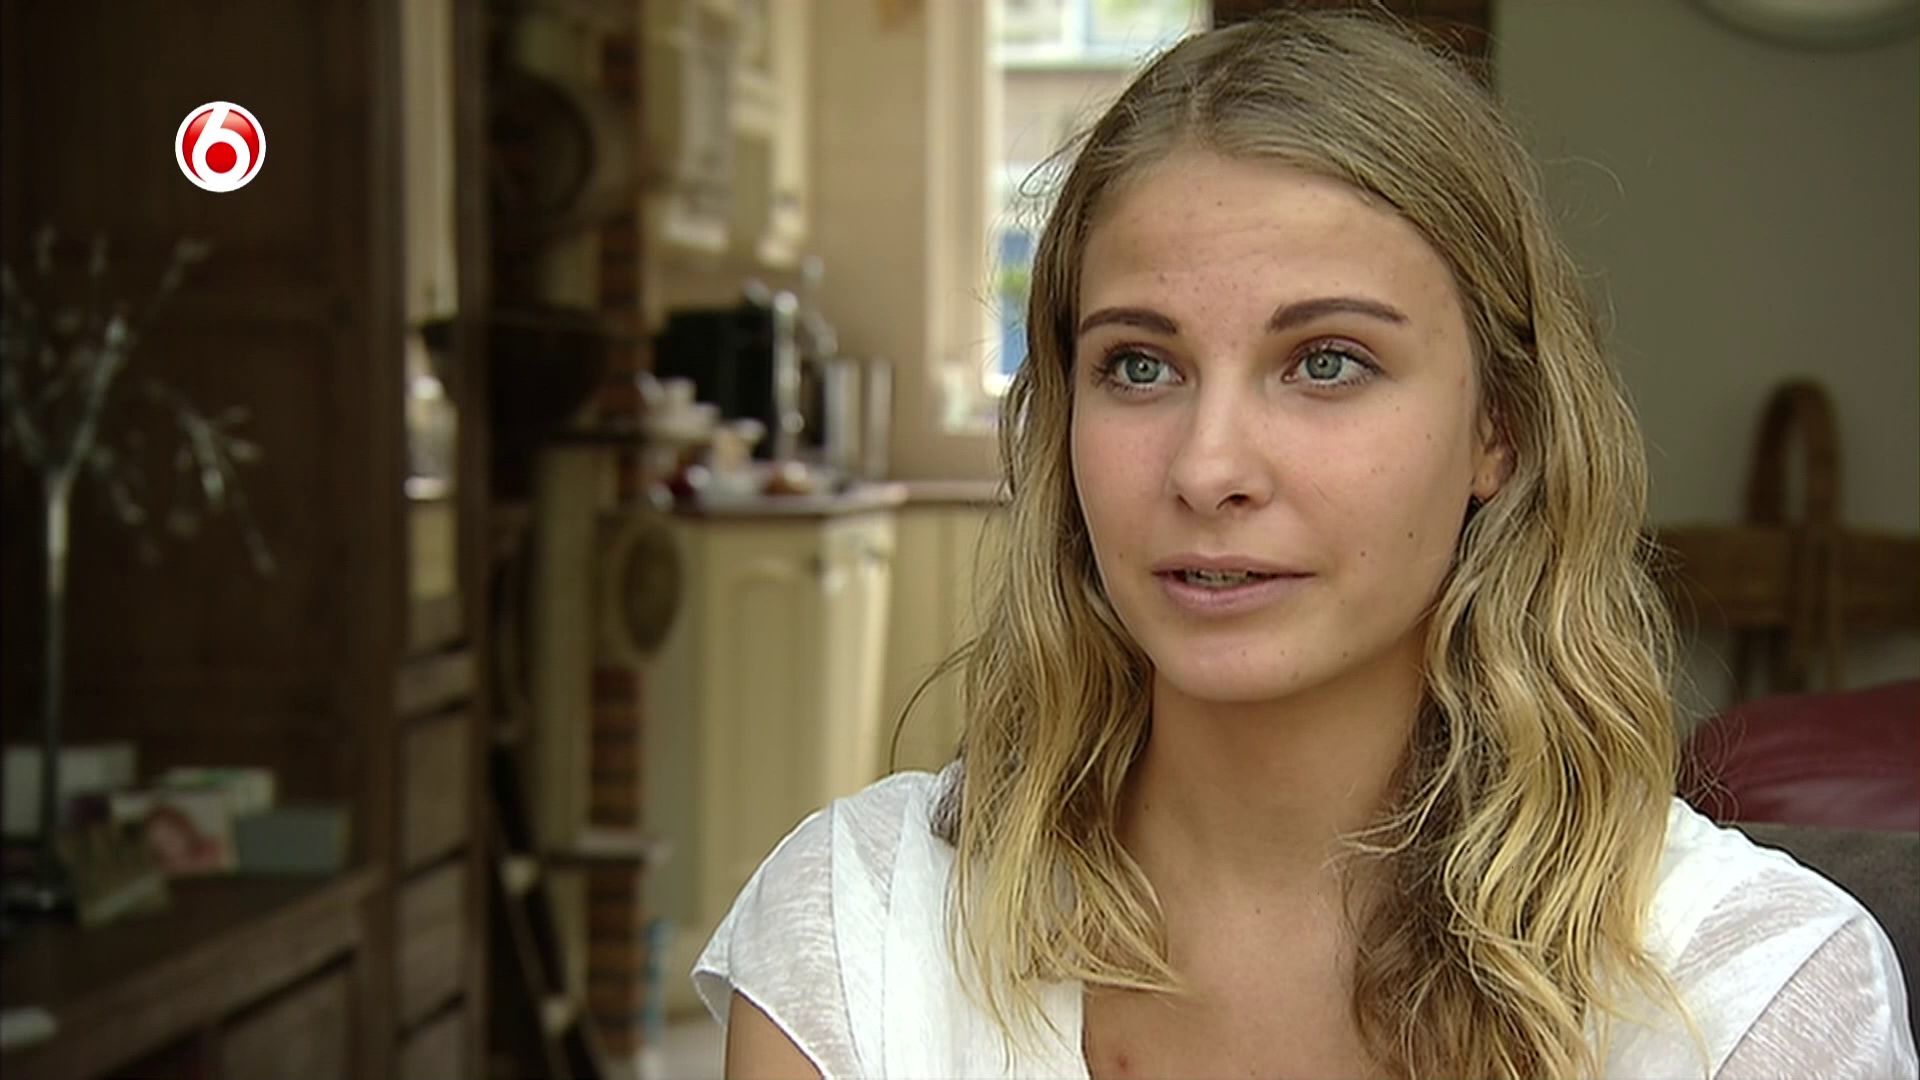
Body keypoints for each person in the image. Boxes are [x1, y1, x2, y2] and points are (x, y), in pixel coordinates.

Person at [693, 9, 1917, 1078]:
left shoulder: (1752, 1001)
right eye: (1139, 365)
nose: (1208, 466)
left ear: (1498, 427)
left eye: (1327, 361)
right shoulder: (858, 939)